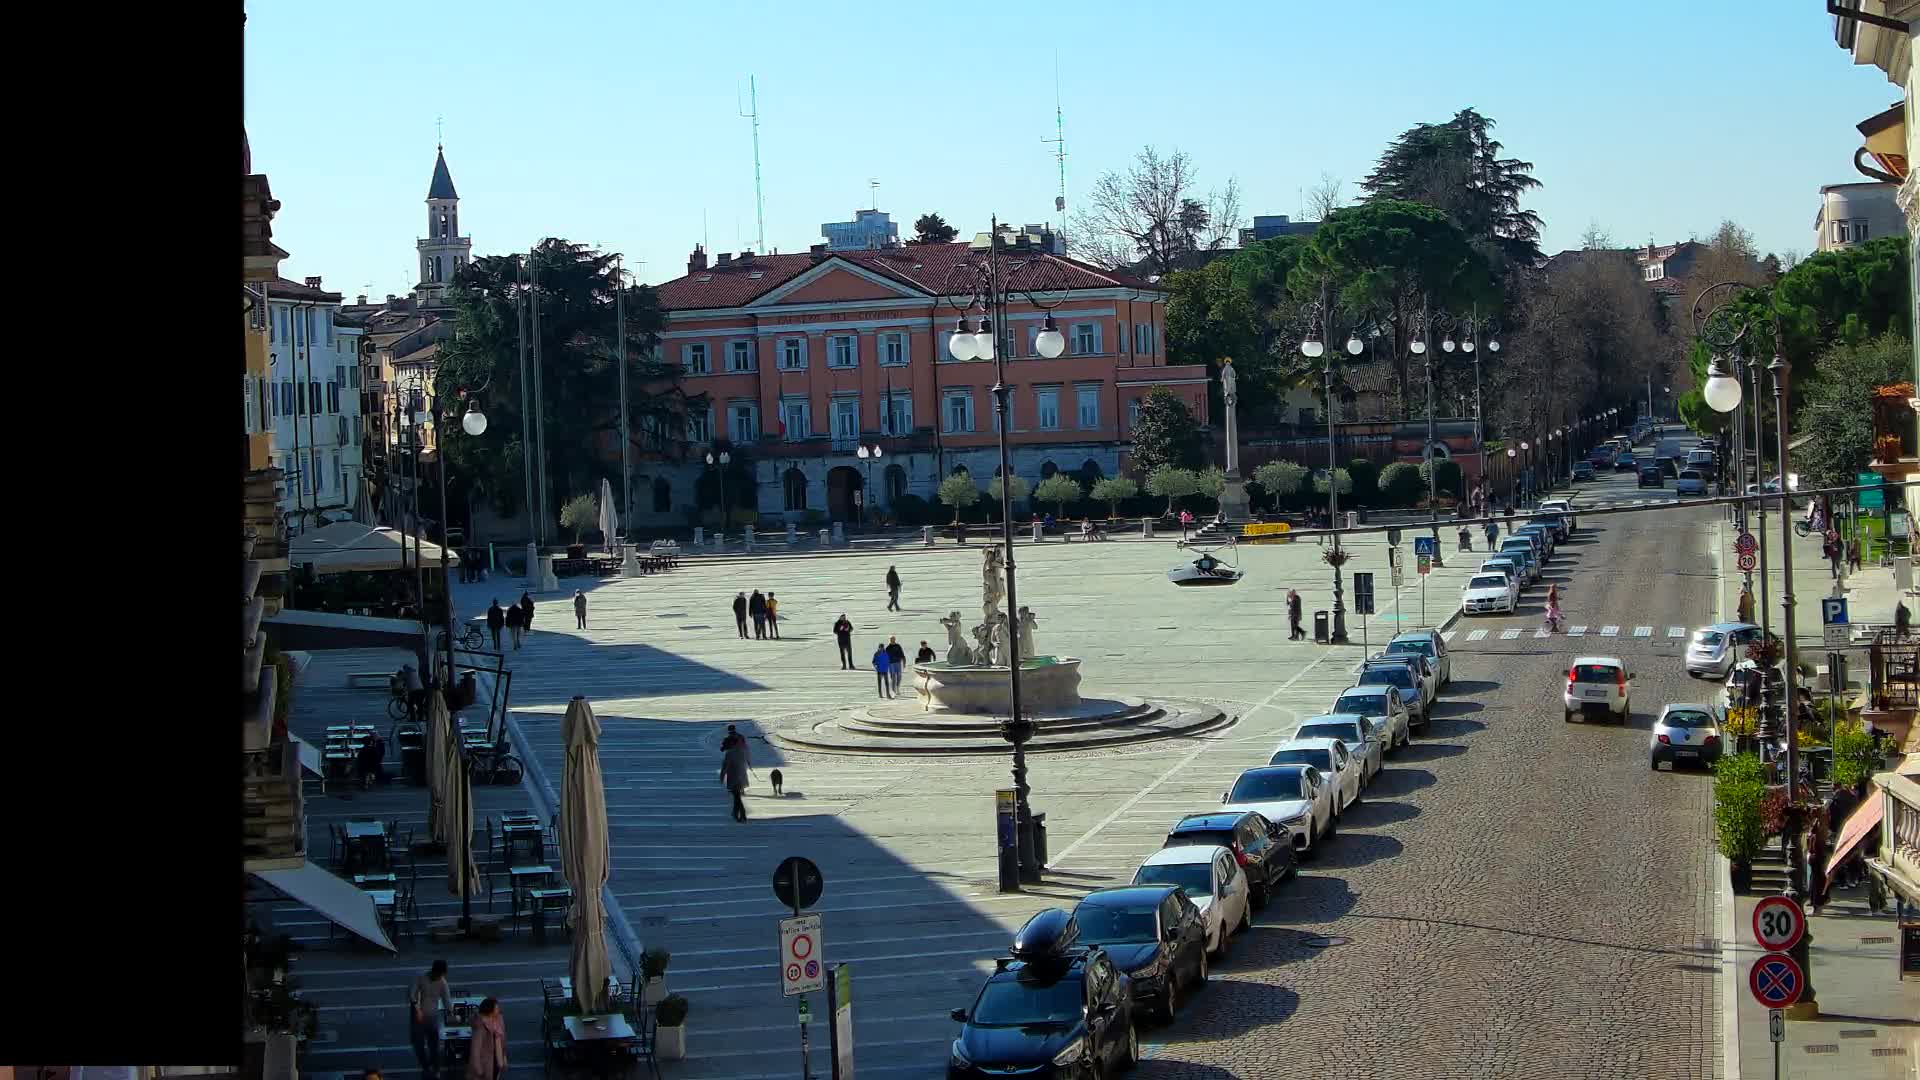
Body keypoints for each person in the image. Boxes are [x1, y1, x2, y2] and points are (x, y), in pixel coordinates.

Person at [408, 959, 452, 1079]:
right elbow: (413, 995)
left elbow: (446, 999)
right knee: (418, 1045)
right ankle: (425, 1067)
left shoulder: (442, 982)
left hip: (432, 1017)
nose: (441, 977)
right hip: (418, 1018)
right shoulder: (421, 977)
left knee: (434, 1045)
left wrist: (450, 1012)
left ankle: (436, 1068)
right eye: (439, 974)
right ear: (434, 971)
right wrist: (417, 1010)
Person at [466, 997, 507, 1080]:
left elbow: (503, 1042)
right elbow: (475, 1049)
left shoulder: (498, 1021)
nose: (498, 1009)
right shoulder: (480, 1026)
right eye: (496, 1008)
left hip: (496, 1061)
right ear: (490, 1010)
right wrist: (478, 1069)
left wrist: (504, 1058)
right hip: (485, 1064)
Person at [719, 737, 751, 822]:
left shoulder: (730, 753)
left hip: (734, 777)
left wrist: (722, 777)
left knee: (737, 797)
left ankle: (742, 814)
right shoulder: (742, 751)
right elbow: (746, 762)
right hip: (742, 776)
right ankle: (735, 813)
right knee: (737, 796)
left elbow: (725, 766)